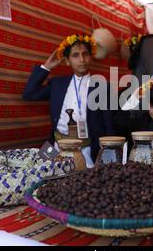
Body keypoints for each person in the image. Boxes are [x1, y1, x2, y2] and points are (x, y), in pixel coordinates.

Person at [22, 34, 114, 167]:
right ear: (67, 60)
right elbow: (29, 94)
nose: (81, 59)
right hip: (56, 147)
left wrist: (108, 157)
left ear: (91, 57)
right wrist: (47, 67)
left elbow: (109, 125)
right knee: (47, 177)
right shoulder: (58, 84)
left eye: (85, 54)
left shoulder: (102, 86)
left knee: (85, 183)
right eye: (75, 55)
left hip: (88, 150)